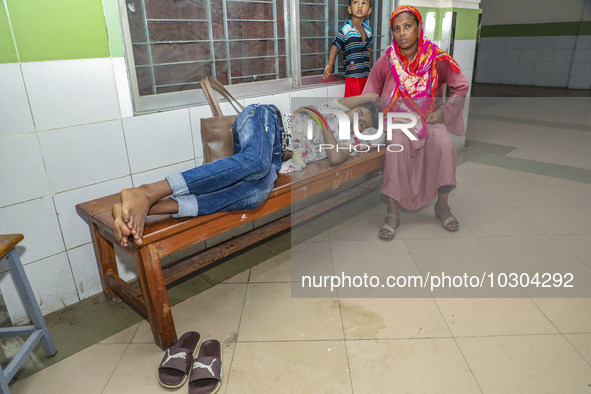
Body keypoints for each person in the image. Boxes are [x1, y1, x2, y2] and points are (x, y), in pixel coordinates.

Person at [113, 96, 381, 247]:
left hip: (274, 157)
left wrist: (326, 123)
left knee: (256, 194)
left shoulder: (345, 142)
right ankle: (148, 191)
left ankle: (145, 207)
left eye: (362, 123)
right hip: (265, 119)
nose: (357, 119)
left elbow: (335, 158)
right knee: (255, 161)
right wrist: (366, 101)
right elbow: (302, 111)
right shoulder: (331, 110)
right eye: (357, 113)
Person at [361, 5, 469, 240]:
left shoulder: (436, 57)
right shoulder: (387, 59)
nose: (402, 33)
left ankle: (442, 206)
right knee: (396, 148)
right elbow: (371, 91)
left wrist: (445, 110)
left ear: (419, 27)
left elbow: (461, 86)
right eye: (397, 29)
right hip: (397, 123)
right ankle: (392, 211)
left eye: (408, 26)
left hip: (429, 120)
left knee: (443, 145)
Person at [323, 0, 373, 97]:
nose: (359, 6)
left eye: (364, 3)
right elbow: (335, 45)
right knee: (353, 101)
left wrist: (369, 67)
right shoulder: (347, 29)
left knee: (365, 100)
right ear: (349, 9)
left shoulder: (368, 31)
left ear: (369, 11)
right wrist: (330, 64)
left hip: (366, 74)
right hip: (353, 74)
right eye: (356, 2)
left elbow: (369, 48)